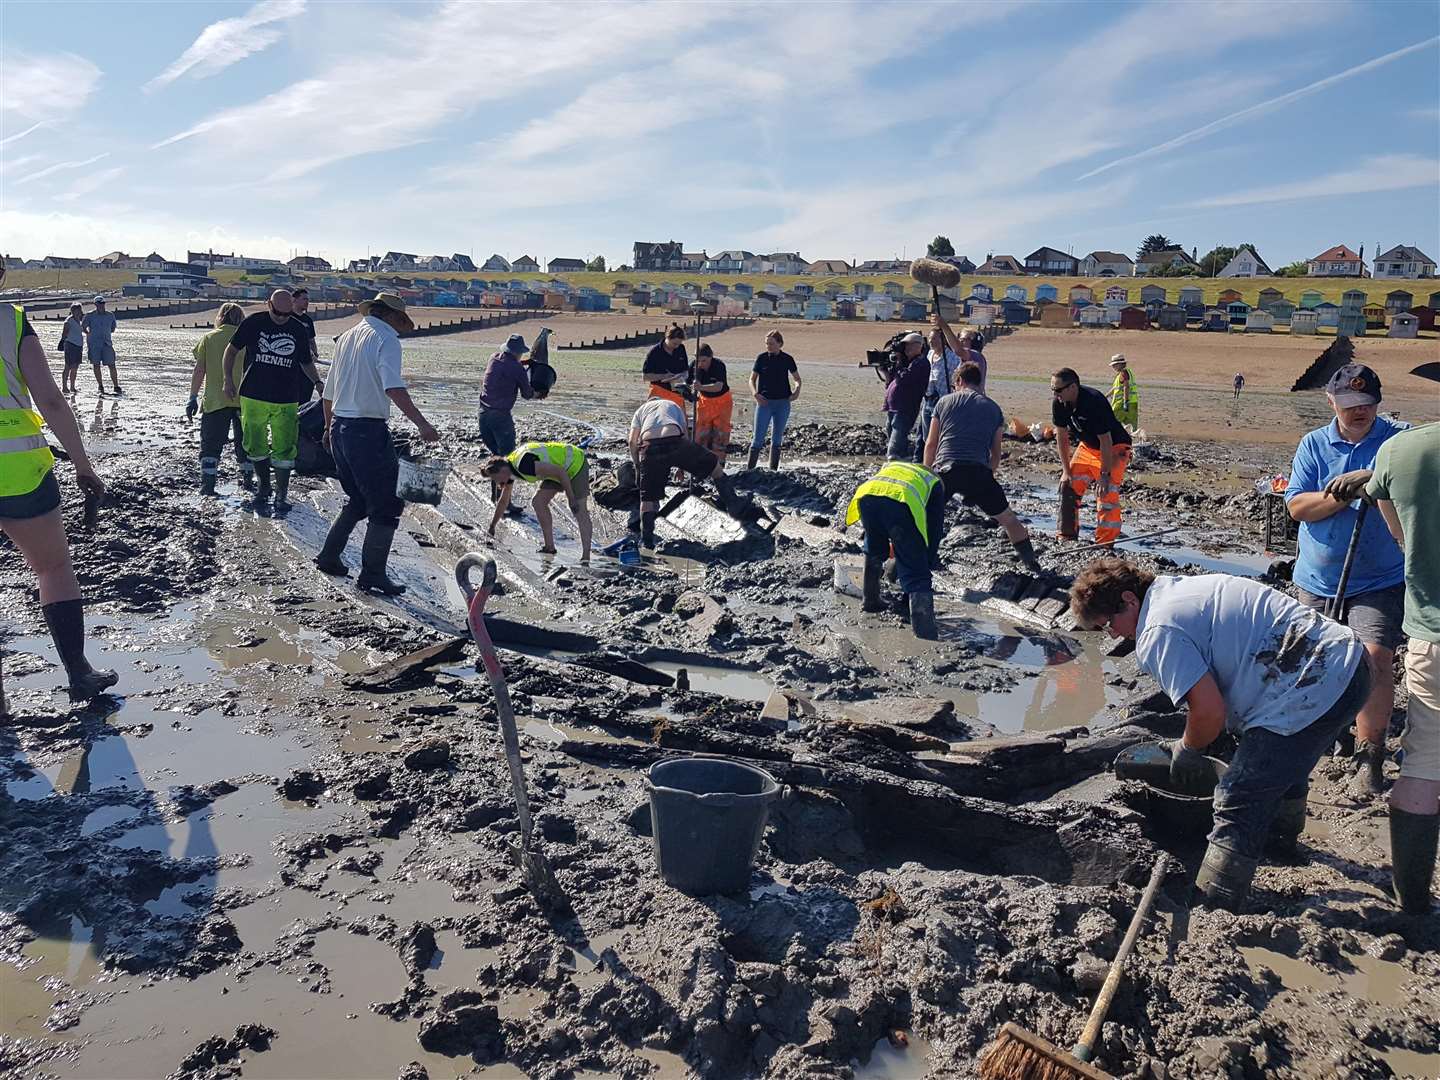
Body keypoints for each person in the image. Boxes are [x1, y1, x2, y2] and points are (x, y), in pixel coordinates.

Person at [1071, 559, 1371, 911]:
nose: (1114, 636)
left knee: (1236, 798)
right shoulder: (1178, 587)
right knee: (1282, 764)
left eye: (1110, 624)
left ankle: (1216, 904)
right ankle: (1278, 847)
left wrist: (1187, 748)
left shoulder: (1157, 630)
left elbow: (1209, 712)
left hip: (1313, 682)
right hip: (1351, 664)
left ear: (1129, 600)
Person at [1285, 363, 1408, 795]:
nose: (1359, 412)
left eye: (1368, 404)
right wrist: (1341, 494)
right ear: (1331, 401)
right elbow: (1298, 507)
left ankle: (1369, 753)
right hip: (1317, 577)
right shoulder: (1314, 444)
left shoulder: (1398, 441)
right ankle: (1325, 734)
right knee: (1315, 661)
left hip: (1379, 577)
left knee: (1375, 657)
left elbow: (1419, 481)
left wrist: (1375, 479)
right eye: (1350, 404)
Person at [0, 258, 117, 703]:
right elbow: (49, 398)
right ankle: (78, 672)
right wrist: (83, 465)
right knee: (52, 568)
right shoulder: (10, 322)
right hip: (16, 469)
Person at [1363, 382, 1440, 914]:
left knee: (1423, 766)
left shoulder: (1399, 450)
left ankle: (1413, 903)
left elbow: (1400, 537)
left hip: (1433, 635)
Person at [316, 293, 439, 593]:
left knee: (358, 499)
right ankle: (372, 574)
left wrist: (327, 426)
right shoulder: (386, 339)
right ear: (391, 316)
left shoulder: (347, 336)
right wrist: (421, 423)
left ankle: (329, 556)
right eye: (401, 318)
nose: (401, 325)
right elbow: (393, 386)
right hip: (366, 430)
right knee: (387, 504)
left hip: (341, 427)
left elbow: (329, 390)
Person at [922, 361, 1042, 572]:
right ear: (979, 381)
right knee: (1008, 519)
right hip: (978, 471)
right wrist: (987, 476)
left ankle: (921, 559)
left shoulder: (944, 402)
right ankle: (1030, 562)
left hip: (947, 469)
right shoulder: (994, 409)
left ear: (959, 381)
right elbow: (995, 453)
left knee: (927, 516)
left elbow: (931, 443)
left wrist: (926, 473)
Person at [223, 289, 324, 513]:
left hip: (287, 397)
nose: (281, 318)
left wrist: (318, 382)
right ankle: (263, 487)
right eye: (277, 313)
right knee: (255, 444)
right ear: (269, 305)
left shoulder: (297, 328)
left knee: (285, 448)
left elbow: (305, 362)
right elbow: (230, 352)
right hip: (253, 394)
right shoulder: (253, 323)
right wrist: (228, 380)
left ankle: (282, 494)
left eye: (286, 314)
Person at [844, 461, 945, 640]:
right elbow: (933, 532)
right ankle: (925, 633)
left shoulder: (899, 468)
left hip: (867, 494)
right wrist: (925, 561)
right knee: (916, 570)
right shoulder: (935, 485)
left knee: (874, 547)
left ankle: (870, 600)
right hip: (900, 501)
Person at [628, 396, 743, 549]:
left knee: (647, 499)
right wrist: (682, 467)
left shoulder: (641, 411)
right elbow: (685, 436)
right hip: (675, 440)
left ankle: (646, 542)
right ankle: (733, 504)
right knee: (714, 467)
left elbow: (631, 441)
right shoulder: (672, 404)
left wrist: (638, 466)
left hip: (650, 446)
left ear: (649, 404)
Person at [1050, 366, 1132, 546]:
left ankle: (1104, 543)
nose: (1055, 394)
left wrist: (1104, 475)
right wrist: (1066, 471)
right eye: (1052, 390)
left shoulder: (1093, 401)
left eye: (1058, 390)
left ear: (1073, 387)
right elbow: (1062, 436)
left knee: (1106, 491)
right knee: (1067, 485)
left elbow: (1106, 440)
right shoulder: (1059, 403)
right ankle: (1067, 536)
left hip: (1114, 448)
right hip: (1087, 446)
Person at [480, 441, 593, 563]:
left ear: (501, 471)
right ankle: (549, 547)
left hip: (575, 464)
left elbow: (561, 472)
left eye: (496, 479)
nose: (497, 483)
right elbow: (503, 502)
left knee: (579, 510)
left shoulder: (523, 465)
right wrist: (492, 526)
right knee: (538, 502)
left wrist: (571, 498)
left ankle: (585, 557)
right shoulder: (510, 468)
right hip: (557, 470)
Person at [185, 303, 252, 496]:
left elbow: (199, 370)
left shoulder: (209, 338)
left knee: (210, 445)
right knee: (246, 444)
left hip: (215, 400)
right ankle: (247, 482)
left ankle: (208, 486)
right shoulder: (247, 339)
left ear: (220, 317)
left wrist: (192, 397)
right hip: (244, 401)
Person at [749, 330, 800, 471]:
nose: (768, 347)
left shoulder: (787, 359)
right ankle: (749, 471)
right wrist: (755, 394)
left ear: (780, 344)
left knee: (777, 440)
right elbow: (752, 379)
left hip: (783, 403)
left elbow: (797, 379)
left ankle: (773, 471)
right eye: (766, 344)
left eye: (771, 343)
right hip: (764, 403)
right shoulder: (761, 358)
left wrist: (797, 391)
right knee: (757, 439)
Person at [912, 317, 960, 464]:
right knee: (925, 435)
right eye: (930, 339)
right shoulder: (930, 354)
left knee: (937, 435)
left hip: (942, 401)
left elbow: (958, 376)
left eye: (935, 339)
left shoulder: (951, 358)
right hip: (928, 399)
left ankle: (937, 461)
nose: (931, 342)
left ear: (943, 340)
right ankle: (923, 462)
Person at [882, 332, 929, 462]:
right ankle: (903, 459)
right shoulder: (908, 362)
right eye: (905, 346)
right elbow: (892, 379)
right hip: (895, 406)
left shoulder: (920, 362)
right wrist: (885, 369)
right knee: (891, 431)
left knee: (895, 445)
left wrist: (899, 362)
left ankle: (895, 462)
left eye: (909, 345)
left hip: (905, 407)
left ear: (919, 346)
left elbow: (904, 379)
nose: (906, 349)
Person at [689, 343, 733, 465]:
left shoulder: (719, 365)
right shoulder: (694, 366)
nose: (700, 364)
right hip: (704, 401)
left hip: (722, 401)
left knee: (720, 433)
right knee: (701, 433)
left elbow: (719, 387)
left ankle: (719, 465)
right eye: (698, 361)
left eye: (703, 361)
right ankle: (701, 463)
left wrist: (701, 386)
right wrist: (690, 391)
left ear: (710, 357)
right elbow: (687, 382)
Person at [81, 296, 121, 396]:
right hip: (94, 344)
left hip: (107, 343)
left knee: (112, 364)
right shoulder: (89, 315)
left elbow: (112, 329)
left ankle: (116, 386)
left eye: (102, 303)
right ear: (95, 304)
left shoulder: (110, 315)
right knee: (96, 364)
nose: (101, 305)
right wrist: (89, 335)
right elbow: (83, 327)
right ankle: (100, 386)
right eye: (99, 304)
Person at [643, 324, 689, 408]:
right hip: (658, 392)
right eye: (674, 343)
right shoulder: (654, 352)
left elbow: (685, 370)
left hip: (677, 392)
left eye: (679, 343)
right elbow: (646, 376)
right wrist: (664, 376)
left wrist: (681, 377)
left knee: (678, 418)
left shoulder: (681, 349)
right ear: (667, 338)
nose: (676, 346)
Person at [289, 287, 320, 405]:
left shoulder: (308, 320)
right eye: (304, 299)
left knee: (305, 397)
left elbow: (312, 340)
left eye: (308, 299)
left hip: (306, 364)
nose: (307, 302)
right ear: (294, 300)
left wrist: (315, 353)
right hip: (292, 365)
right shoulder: (288, 317)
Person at [59, 303, 84, 395]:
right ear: (72, 311)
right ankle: (64, 387)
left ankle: (72, 387)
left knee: (75, 367)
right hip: (70, 345)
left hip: (78, 346)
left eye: (79, 310)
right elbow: (64, 333)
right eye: (76, 310)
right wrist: (62, 341)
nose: (79, 312)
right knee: (68, 366)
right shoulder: (69, 321)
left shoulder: (79, 320)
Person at [1108, 354, 1138, 429]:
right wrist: (1105, 396)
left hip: (1121, 404)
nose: (1113, 367)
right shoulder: (1129, 372)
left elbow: (1126, 387)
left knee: (1111, 422)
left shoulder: (1123, 373)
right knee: (1132, 427)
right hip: (1133, 403)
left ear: (1120, 364)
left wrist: (1125, 402)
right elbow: (1115, 388)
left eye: (1114, 365)